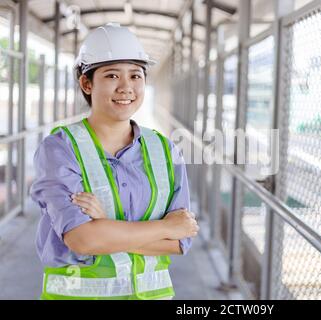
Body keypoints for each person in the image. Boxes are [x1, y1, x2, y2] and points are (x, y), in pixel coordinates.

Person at [30, 23, 199, 300]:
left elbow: (181, 241)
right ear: (87, 83)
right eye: (111, 76)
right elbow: (83, 239)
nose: (126, 87)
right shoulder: (60, 149)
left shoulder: (165, 150)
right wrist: (165, 227)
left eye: (136, 75)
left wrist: (105, 225)